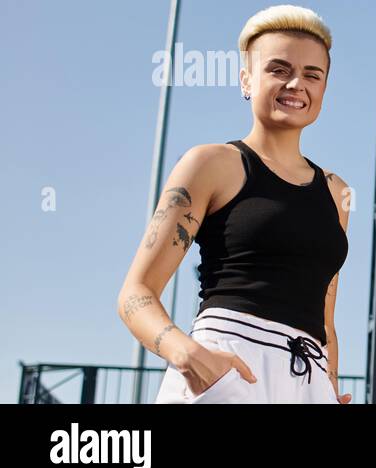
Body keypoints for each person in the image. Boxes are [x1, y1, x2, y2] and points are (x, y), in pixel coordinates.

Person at [116, 5, 352, 404]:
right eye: (279, 69)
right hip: (229, 365)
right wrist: (186, 354)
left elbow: (325, 317)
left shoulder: (336, 193)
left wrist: (328, 383)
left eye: (313, 74)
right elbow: (135, 294)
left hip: (308, 377)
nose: (297, 84)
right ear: (246, 79)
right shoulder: (211, 163)